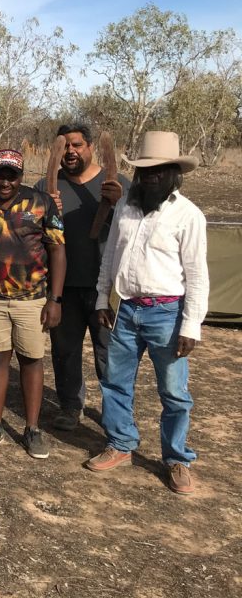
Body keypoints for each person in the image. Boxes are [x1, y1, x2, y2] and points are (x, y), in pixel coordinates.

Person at [87, 131, 208, 495]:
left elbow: (197, 274)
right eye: (145, 170)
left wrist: (191, 324)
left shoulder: (188, 215)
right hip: (123, 309)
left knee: (173, 392)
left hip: (166, 314)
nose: (151, 176)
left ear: (174, 173)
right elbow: (110, 257)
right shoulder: (125, 204)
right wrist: (101, 300)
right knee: (115, 382)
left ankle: (177, 459)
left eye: (159, 170)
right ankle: (121, 444)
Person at [0, 149, 65, 459]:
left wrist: (55, 299)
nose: (5, 181)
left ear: (21, 176)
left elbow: (57, 250)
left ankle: (32, 429)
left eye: (12, 175)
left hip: (32, 299)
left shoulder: (41, 202)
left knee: (31, 359)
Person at [33, 124, 128, 430]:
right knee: (65, 351)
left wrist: (120, 203)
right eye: (65, 147)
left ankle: (116, 415)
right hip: (63, 286)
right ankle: (70, 407)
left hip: (107, 287)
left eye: (77, 145)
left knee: (110, 355)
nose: (71, 152)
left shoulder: (116, 183)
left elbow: (138, 228)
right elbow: (30, 232)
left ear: (90, 147)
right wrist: (45, 211)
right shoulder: (45, 187)